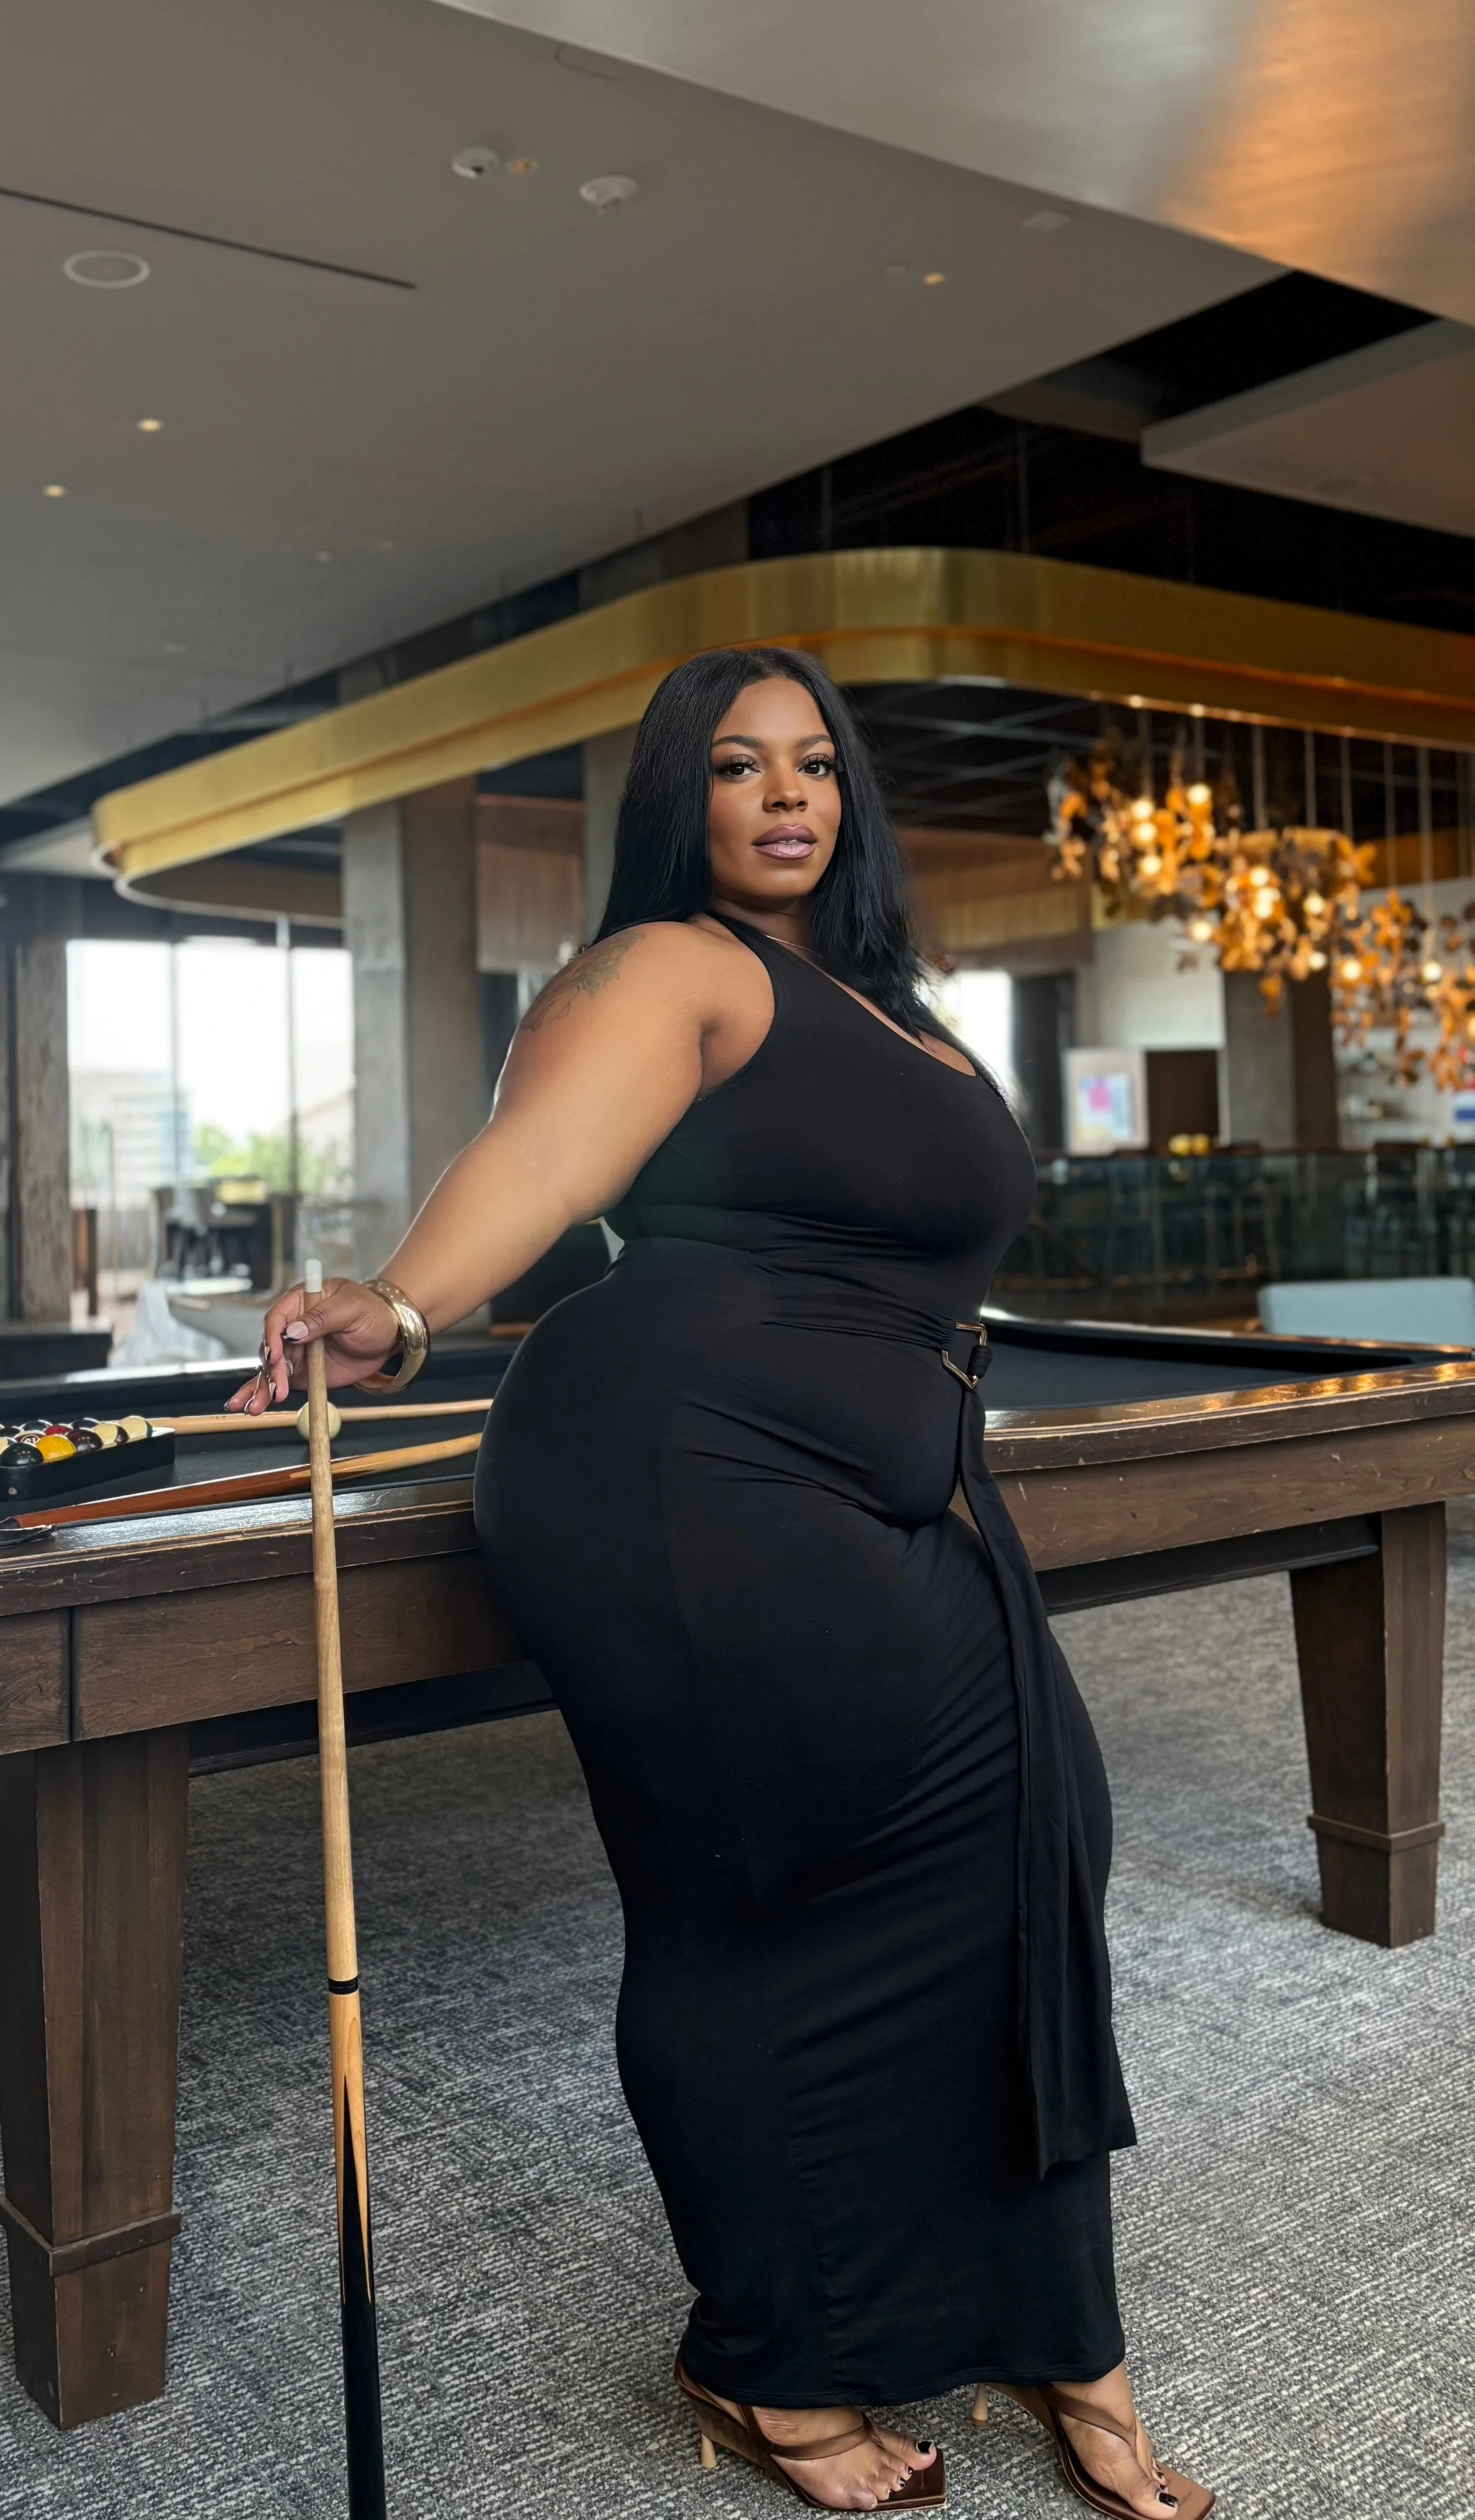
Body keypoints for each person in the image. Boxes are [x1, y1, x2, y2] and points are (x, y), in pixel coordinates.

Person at [238, 647, 1213, 2519]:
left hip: (889, 1476)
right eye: (737, 764)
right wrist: (404, 1301)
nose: (785, 792)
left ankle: (1040, 2312)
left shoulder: (896, 1006)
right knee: (756, 1901)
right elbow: (539, 1153)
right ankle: (770, 2348)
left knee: (1028, 1839)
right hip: (681, 1470)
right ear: (676, 799)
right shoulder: (673, 964)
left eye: (816, 762)